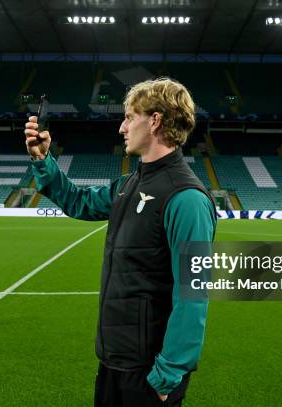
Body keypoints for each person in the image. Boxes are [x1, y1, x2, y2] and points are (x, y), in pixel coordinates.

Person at [25, 77, 216, 406]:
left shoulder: (187, 199)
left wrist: (167, 375)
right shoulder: (129, 185)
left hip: (150, 373)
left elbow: (193, 295)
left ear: (154, 120)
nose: (121, 128)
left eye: (129, 117)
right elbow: (79, 202)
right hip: (114, 360)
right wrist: (44, 160)